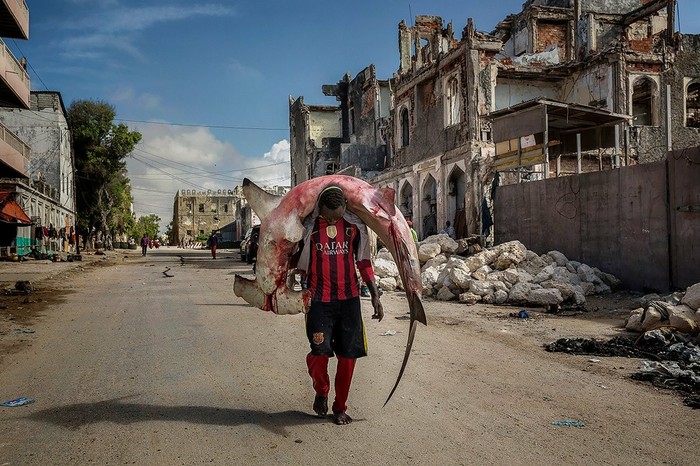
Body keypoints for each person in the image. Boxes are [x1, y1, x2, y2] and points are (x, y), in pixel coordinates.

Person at [294, 184, 384, 426]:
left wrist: (375, 295)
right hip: (319, 301)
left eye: (338, 215)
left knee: (348, 357)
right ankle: (321, 390)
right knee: (319, 354)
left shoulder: (355, 227)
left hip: (349, 301)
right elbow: (294, 258)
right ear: (320, 210)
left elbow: (364, 262)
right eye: (328, 216)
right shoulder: (309, 230)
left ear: (345, 208)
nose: (333, 221)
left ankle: (340, 407)